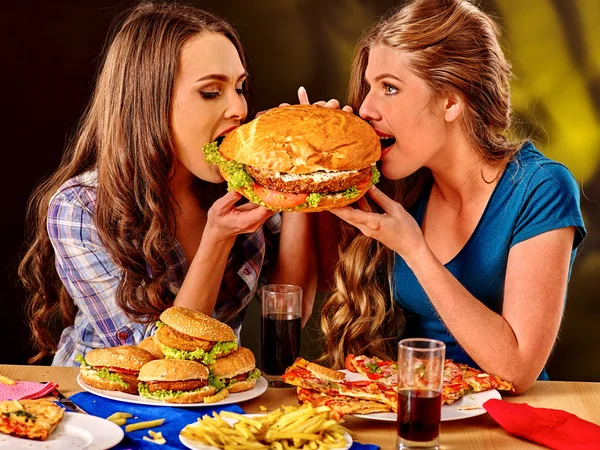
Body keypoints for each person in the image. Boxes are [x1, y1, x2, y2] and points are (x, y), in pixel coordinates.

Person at [19, 3, 317, 366]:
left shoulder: (243, 184)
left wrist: (299, 179)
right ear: (150, 103)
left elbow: (290, 306)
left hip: (212, 404)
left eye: (240, 87)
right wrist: (217, 238)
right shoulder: (78, 209)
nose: (239, 108)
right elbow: (159, 360)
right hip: (100, 407)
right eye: (211, 92)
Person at [319, 0, 586, 393]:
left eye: (389, 88)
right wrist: (314, 162)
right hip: (410, 410)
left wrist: (415, 250)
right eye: (370, 87)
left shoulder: (540, 188)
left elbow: (517, 370)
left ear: (451, 101)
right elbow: (310, 280)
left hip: (505, 419)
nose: (366, 108)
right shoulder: (403, 182)